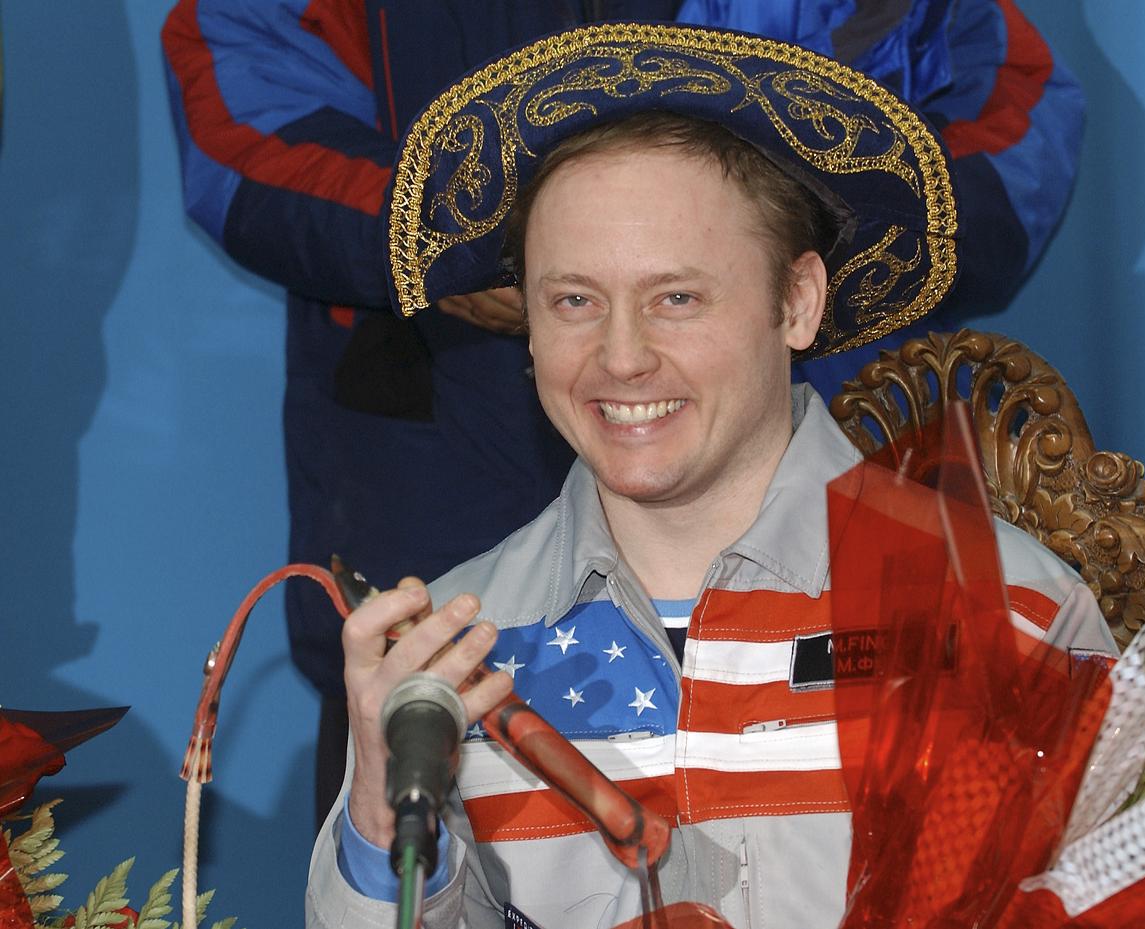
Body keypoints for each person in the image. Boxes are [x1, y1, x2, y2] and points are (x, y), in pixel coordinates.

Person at [162, 0, 1084, 832]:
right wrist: (461, 232)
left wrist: (786, 232)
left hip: (801, 536)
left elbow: (1012, 115)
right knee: (419, 820)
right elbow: (239, 104)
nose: (625, 344)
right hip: (442, 487)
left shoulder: (1025, 606)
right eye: (574, 294)